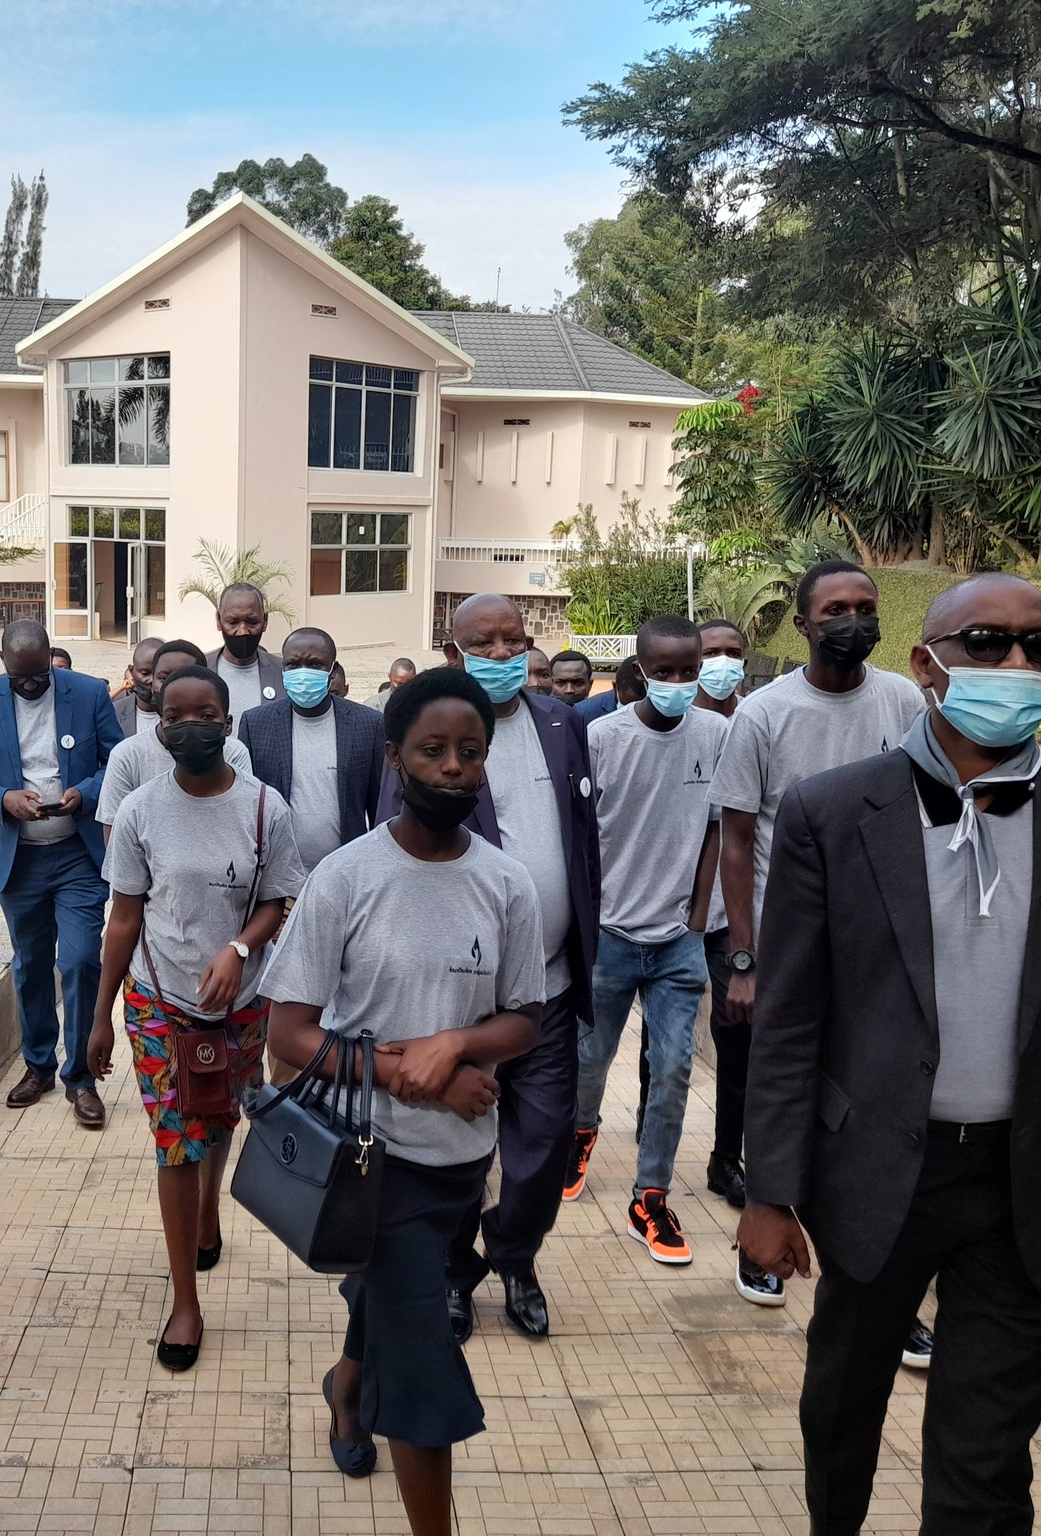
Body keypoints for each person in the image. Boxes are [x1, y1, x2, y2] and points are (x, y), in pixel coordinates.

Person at [740, 573, 1041, 1535]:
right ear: (928, 665)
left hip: (1034, 1180)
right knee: (842, 1410)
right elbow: (793, 1021)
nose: (1017, 665)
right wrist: (769, 1193)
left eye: (1039, 647)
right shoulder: (832, 813)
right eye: (987, 643)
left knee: (980, 1466)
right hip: (882, 1168)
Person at [263, 667, 546, 1534]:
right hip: (368, 1161)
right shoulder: (346, 879)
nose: (454, 767)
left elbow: (526, 1019)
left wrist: (456, 1043)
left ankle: (348, 1383)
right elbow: (289, 1033)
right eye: (433, 750)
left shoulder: (507, 884)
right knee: (424, 1354)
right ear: (395, 759)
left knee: (390, 1303)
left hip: (461, 1160)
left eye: (471, 752)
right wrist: (401, 1071)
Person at [378, 593, 600, 1342]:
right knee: (455, 1147)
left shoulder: (565, 725)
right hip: (456, 1000)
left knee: (544, 1141)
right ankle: (451, 1271)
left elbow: (580, 840)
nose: (504, 656)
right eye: (485, 643)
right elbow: (397, 847)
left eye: (515, 642)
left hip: (550, 990)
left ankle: (516, 1256)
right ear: (453, 652)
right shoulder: (433, 733)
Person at [708, 561, 926, 1315]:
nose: (853, 620)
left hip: (883, 947)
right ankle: (764, 1239)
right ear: (802, 624)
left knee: (876, 1104)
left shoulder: (903, 701)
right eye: (835, 609)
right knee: (783, 1090)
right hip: (788, 942)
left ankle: (879, 1289)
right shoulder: (763, 715)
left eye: (865, 607)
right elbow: (738, 840)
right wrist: (743, 958)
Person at [90, 664, 307, 1371]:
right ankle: (185, 1300)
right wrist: (98, 1018)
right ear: (160, 727)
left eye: (205, 713)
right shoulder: (141, 812)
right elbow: (123, 919)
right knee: (175, 1142)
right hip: (159, 1002)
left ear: (227, 721)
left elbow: (281, 900)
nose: (191, 726)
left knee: (219, 1118)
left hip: (242, 1004)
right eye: (176, 716)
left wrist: (240, 949)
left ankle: (210, 1210)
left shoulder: (264, 809)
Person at [565, 616, 728, 1267]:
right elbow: (578, 837)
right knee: (589, 1060)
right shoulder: (600, 736)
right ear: (639, 672)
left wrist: (698, 913)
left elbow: (720, 827)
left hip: (677, 943)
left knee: (674, 1067)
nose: (680, 683)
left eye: (689, 671)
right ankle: (580, 1133)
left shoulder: (717, 734)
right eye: (665, 673)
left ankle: (650, 1196)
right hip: (608, 935)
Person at [0, 619, 124, 1127]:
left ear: (51, 657)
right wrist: (2, 798)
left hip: (76, 853)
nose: (30, 685)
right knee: (30, 964)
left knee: (78, 961)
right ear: (4, 663)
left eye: (38, 675)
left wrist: (87, 792)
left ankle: (81, 1079)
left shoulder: (90, 693)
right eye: (19, 678)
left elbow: (116, 757)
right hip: (20, 858)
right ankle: (38, 1066)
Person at [238, 626, 386, 873]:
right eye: (293, 665)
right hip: (277, 876)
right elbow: (245, 805)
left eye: (315, 665)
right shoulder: (256, 724)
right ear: (282, 667)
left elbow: (379, 808)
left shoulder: (368, 725)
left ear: (333, 670)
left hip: (346, 872)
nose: (303, 674)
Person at [692, 618, 751, 1210]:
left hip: (738, 915)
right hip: (679, 915)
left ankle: (726, 1158)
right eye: (712, 653)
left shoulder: (755, 720)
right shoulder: (678, 722)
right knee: (667, 1047)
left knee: (739, 1039)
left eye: (733, 652)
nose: (723, 662)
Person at [98, 641, 255, 833]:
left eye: (186, 676)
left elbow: (246, 822)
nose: (176, 686)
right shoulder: (125, 756)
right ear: (152, 681)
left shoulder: (234, 752)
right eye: (165, 677)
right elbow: (116, 844)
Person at [206, 582, 283, 719]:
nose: (243, 631)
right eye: (233, 622)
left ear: (265, 621)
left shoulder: (284, 673)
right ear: (218, 620)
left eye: (252, 622)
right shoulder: (199, 669)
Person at [114, 636, 166, 738]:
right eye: (145, 673)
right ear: (132, 671)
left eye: (159, 675)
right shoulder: (114, 712)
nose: (151, 680)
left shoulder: (183, 714)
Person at [573, 656, 642, 723]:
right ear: (615, 687)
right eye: (627, 704)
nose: (634, 710)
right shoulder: (584, 711)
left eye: (642, 704)